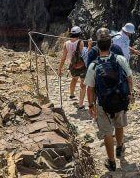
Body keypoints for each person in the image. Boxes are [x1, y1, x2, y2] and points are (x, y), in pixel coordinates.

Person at [85, 31, 133, 172]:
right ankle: (119, 147)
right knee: (119, 124)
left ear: (98, 47)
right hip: (120, 99)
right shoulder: (120, 59)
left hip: (103, 103)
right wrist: (129, 93)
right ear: (111, 45)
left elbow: (90, 88)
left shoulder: (93, 66)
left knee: (107, 132)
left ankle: (111, 162)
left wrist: (90, 105)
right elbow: (129, 78)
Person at [57, 26, 87, 109]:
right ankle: (80, 104)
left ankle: (71, 94)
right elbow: (84, 55)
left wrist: (59, 69)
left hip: (72, 65)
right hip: (82, 66)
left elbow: (63, 58)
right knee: (83, 85)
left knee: (74, 79)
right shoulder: (80, 42)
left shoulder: (66, 43)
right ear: (79, 33)